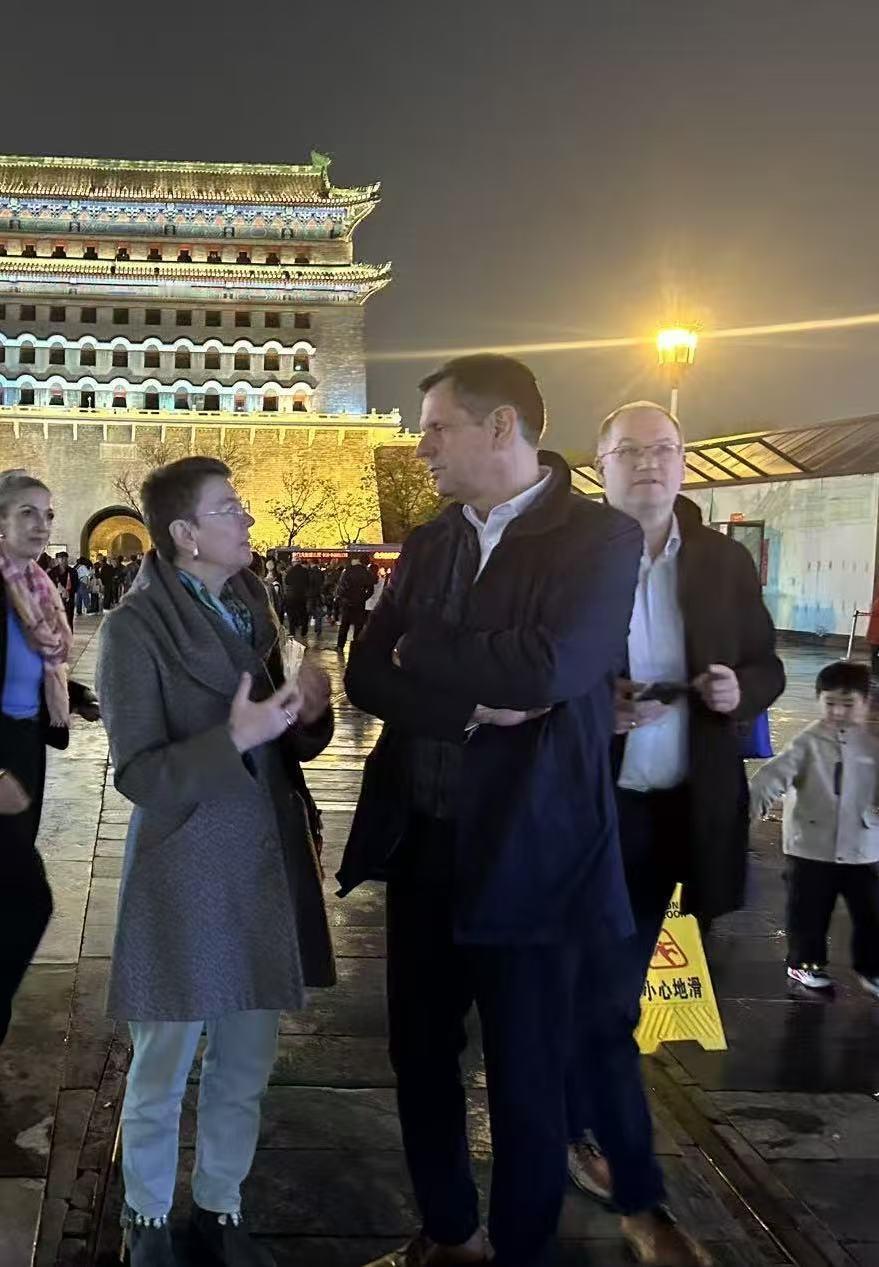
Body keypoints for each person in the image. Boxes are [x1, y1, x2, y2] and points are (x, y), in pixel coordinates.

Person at [337, 354, 642, 1267]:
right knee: (419, 1054)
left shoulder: (598, 537)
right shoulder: (430, 541)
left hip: (533, 852)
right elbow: (365, 671)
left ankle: (519, 1247)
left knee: (525, 1074)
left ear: (500, 425)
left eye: (437, 427)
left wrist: (424, 649)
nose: (421, 445)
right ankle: (448, 1232)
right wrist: (469, 701)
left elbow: (552, 668)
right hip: (424, 839)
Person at [96, 457, 336, 1267]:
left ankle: (221, 1205)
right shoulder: (135, 629)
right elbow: (138, 773)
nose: (248, 519)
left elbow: (282, 742)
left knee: (245, 1058)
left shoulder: (250, 604)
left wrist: (307, 712)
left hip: (264, 864)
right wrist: (233, 737)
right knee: (164, 1060)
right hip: (185, 869)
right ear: (185, 534)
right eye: (229, 507)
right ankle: (147, 1217)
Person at [566, 401, 785, 1266]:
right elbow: (526, 667)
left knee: (607, 996)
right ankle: (635, 1189)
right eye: (629, 451)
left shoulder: (721, 561)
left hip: (674, 812)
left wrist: (741, 690)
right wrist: (597, 705)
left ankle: (581, 1129)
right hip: (587, 808)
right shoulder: (568, 557)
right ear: (600, 465)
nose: (648, 464)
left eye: (663, 449)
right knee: (600, 997)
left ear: (683, 461)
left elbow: (767, 661)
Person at [0, 470, 99, 1045]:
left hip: (25, 749)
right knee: (27, 900)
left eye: (48, 514)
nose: (41, 525)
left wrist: (76, 698)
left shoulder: (36, 586)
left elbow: (34, 669)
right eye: (27, 513)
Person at [751, 660, 879, 995]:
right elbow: (769, 779)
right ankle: (804, 964)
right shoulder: (806, 743)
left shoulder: (872, 746)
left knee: (871, 911)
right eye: (830, 703)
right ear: (818, 700)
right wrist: (745, 815)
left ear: (866, 703)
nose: (838, 711)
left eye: (848, 704)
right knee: (808, 912)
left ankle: (872, 968)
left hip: (863, 848)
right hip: (810, 848)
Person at [335, 554, 375, 654]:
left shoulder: (348, 570)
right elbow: (370, 590)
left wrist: (343, 597)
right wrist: (363, 598)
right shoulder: (367, 573)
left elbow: (341, 586)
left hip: (347, 601)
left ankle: (340, 646)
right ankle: (356, 647)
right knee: (358, 626)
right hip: (359, 602)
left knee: (344, 624)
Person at [283, 552, 311, 639]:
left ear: (293, 562)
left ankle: (292, 631)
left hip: (291, 596)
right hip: (302, 596)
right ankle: (304, 631)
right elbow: (308, 582)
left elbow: (287, 581)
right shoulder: (305, 571)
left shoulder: (290, 572)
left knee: (292, 615)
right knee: (303, 613)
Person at [49, 551, 76, 629]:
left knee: (68, 621)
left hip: (69, 600)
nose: (64, 561)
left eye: (65, 559)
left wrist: (68, 591)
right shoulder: (52, 572)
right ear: (57, 560)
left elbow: (76, 585)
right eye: (61, 558)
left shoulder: (72, 571)